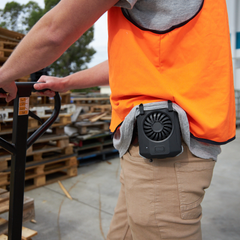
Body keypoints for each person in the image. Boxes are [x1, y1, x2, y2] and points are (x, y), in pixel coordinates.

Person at [0, 0, 236, 239]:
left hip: (167, 153)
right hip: (151, 148)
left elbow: (55, 30)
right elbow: (127, 62)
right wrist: (67, 82)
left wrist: (4, 75)